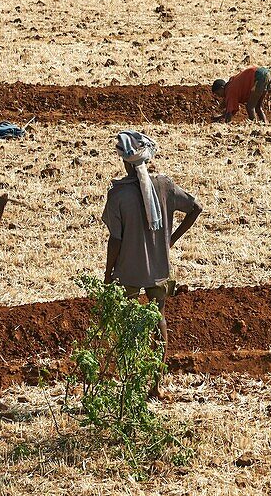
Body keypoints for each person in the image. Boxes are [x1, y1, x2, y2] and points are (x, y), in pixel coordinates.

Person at [102, 131, 201, 395]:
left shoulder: (118, 195)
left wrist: (108, 273)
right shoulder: (164, 185)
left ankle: (131, 383)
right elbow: (196, 208)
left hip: (128, 272)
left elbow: (116, 240)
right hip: (159, 268)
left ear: (124, 161)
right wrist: (169, 240)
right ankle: (155, 386)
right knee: (159, 321)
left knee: (129, 325)